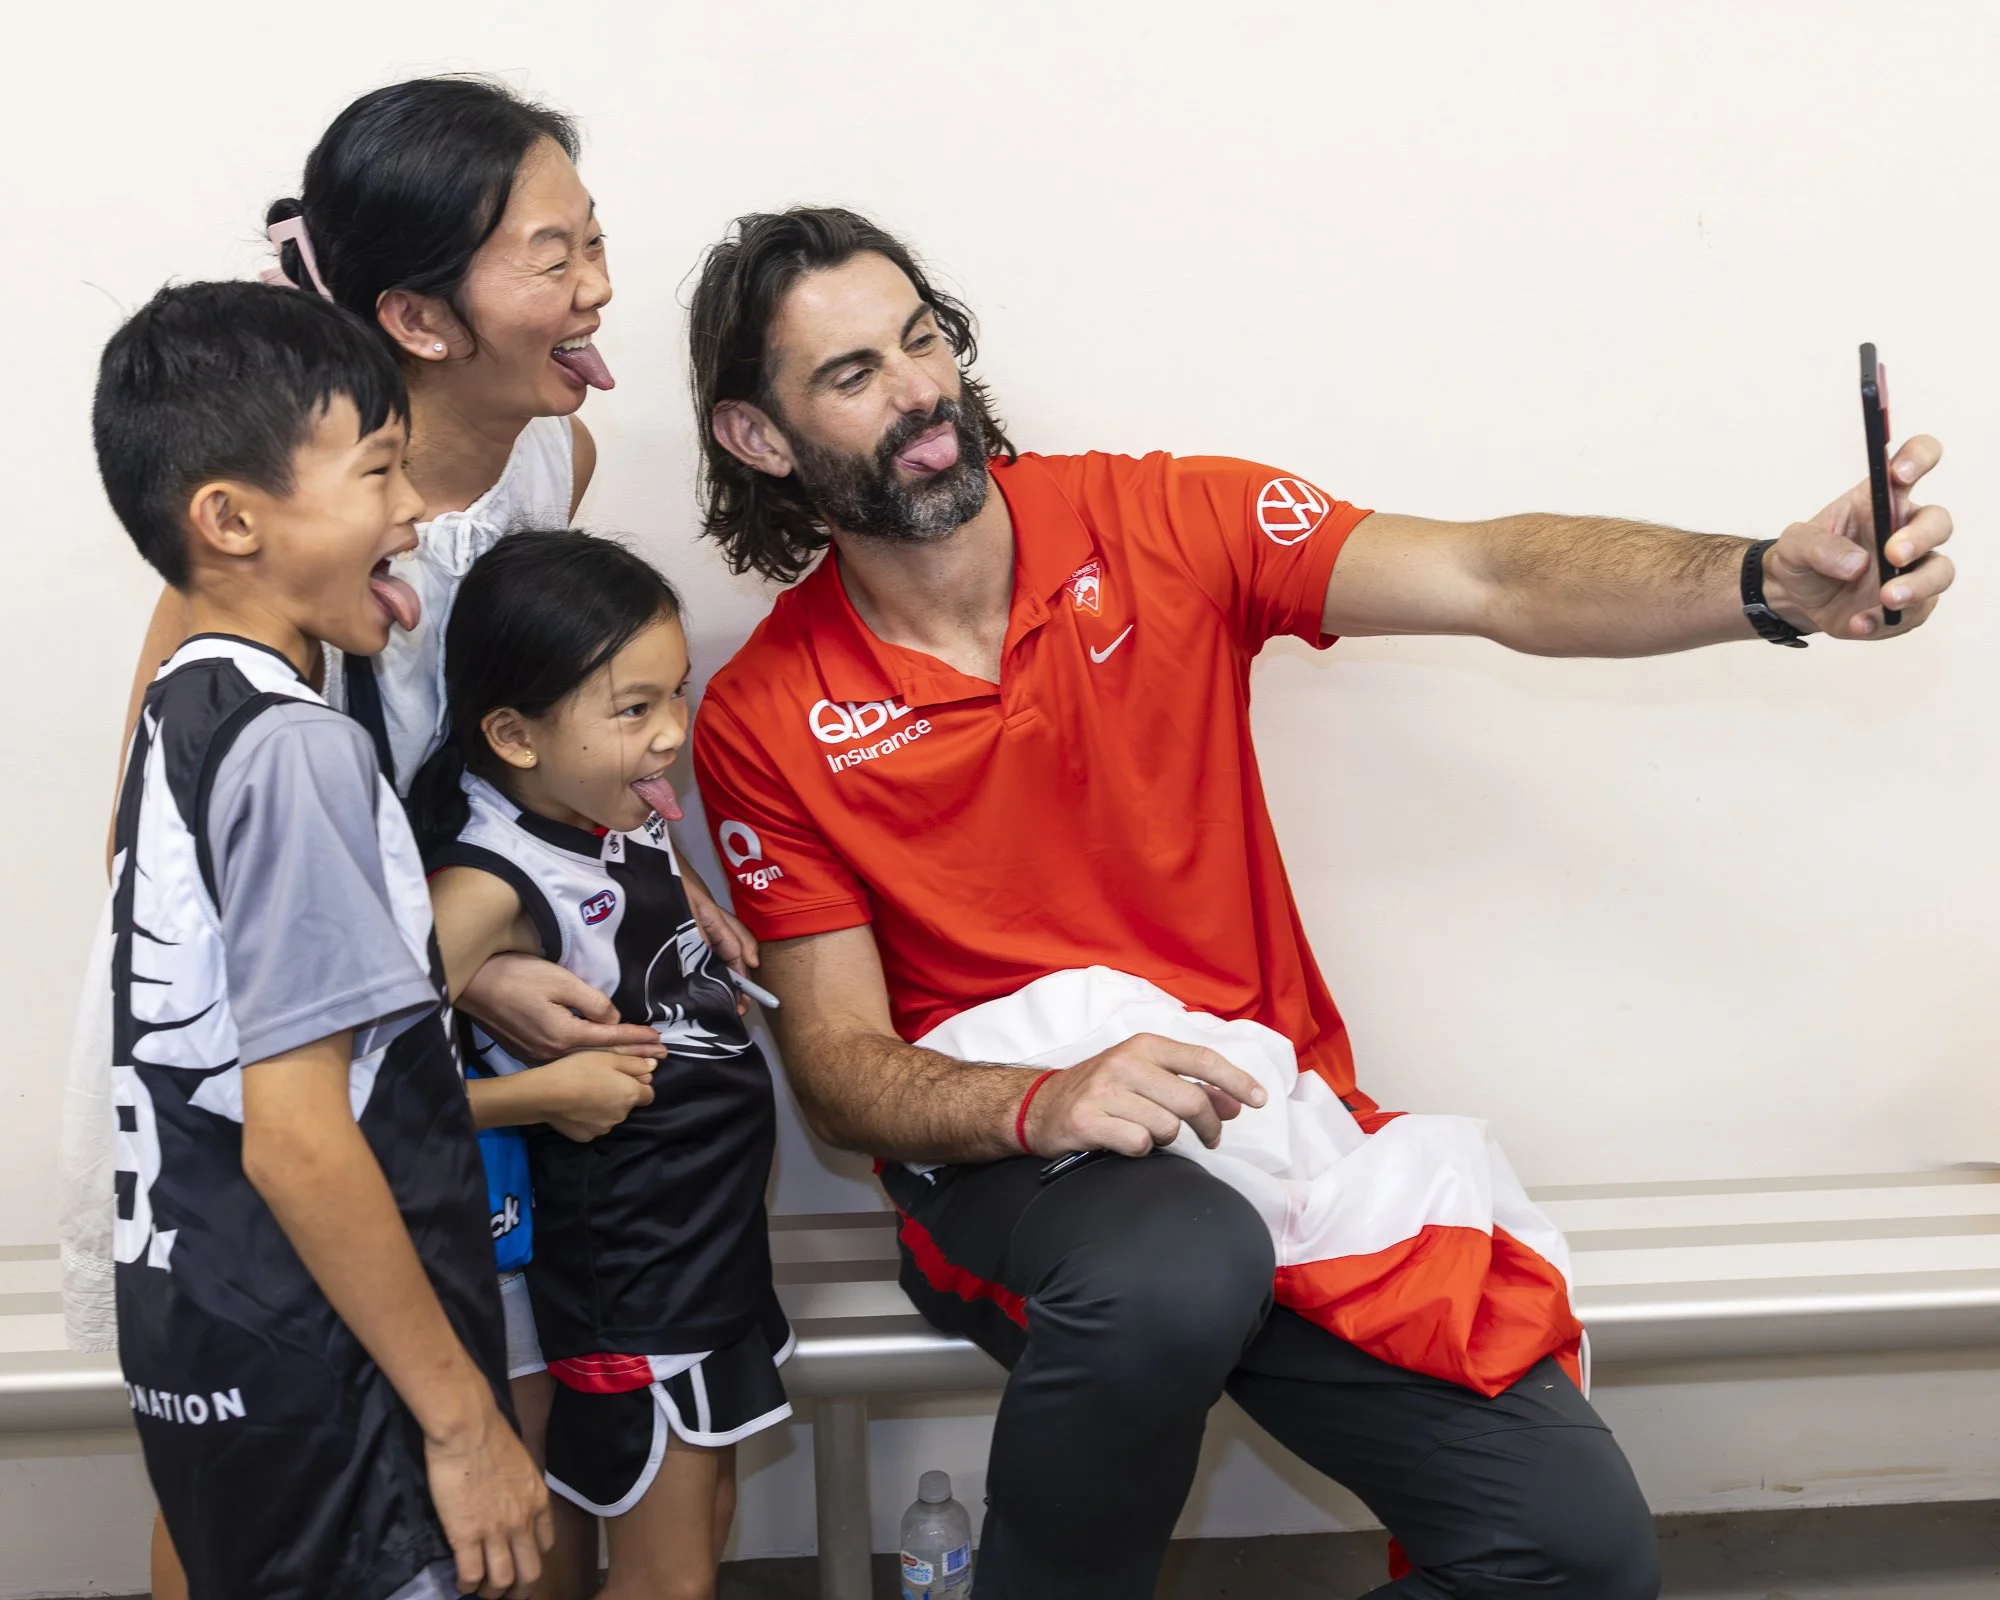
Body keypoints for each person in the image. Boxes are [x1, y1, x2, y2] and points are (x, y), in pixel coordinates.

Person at [683, 207, 1956, 1600]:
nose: (919, 389)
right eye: (852, 374)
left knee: (1569, 1558)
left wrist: (1765, 582)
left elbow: (1488, 572)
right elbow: (839, 1070)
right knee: (1177, 1265)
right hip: (1018, 1167)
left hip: (1265, 1130)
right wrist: (1038, 1101)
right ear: (759, 437)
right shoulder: (766, 711)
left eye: (921, 339)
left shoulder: (1163, 521)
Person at [90, 278, 551, 1600]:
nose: (410, 512)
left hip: (216, 1353)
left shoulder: (181, 708)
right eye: (377, 472)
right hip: (340, 1395)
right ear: (231, 520)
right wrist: (464, 1426)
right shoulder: (299, 752)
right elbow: (297, 1134)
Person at [411, 532, 790, 1600]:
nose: (671, 733)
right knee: (670, 1576)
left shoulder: (609, 804)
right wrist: (539, 1093)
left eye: (677, 693)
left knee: (706, 1517)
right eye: (633, 710)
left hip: (707, 1249)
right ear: (513, 735)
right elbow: (351, 1092)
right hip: (633, 1276)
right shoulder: (484, 888)